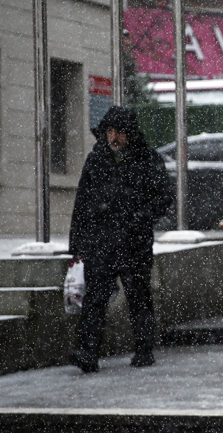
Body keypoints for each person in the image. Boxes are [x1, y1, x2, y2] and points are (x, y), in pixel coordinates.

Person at [67, 105, 172, 373]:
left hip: (133, 242)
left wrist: (141, 217)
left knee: (138, 296)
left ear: (130, 134)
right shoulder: (96, 159)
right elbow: (82, 202)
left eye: (119, 132)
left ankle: (144, 349)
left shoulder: (146, 159)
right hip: (101, 241)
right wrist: (77, 245)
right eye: (110, 132)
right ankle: (88, 352)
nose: (114, 138)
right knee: (95, 299)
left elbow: (163, 197)